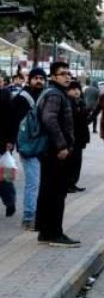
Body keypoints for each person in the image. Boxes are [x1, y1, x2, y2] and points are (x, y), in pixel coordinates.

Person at [36, 62, 80, 247]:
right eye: (62, 74)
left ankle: (46, 232)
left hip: (50, 151)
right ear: (53, 77)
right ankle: (55, 233)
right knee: (56, 193)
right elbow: (49, 118)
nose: (67, 76)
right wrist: (62, 145)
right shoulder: (55, 94)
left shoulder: (54, 92)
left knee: (49, 191)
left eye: (68, 73)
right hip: (55, 152)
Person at [11, 68, 46, 230]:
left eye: (41, 78)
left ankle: (36, 215)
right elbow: (12, 123)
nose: (39, 81)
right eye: (36, 78)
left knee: (39, 183)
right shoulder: (21, 99)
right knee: (32, 183)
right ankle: (28, 217)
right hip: (28, 147)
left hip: (43, 147)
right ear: (29, 79)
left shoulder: (45, 96)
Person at [66, 81, 90, 193]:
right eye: (73, 89)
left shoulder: (80, 103)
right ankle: (68, 184)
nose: (76, 91)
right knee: (71, 162)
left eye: (78, 89)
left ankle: (73, 183)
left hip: (80, 138)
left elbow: (84, 121)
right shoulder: (67, 103)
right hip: (71, 138)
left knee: (77, 162)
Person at [0, 79, 16, 217]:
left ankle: (10, 201)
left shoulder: (5, 95)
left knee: (5, 177)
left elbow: (11, 119)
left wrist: (10, 140)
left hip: (3, 143)